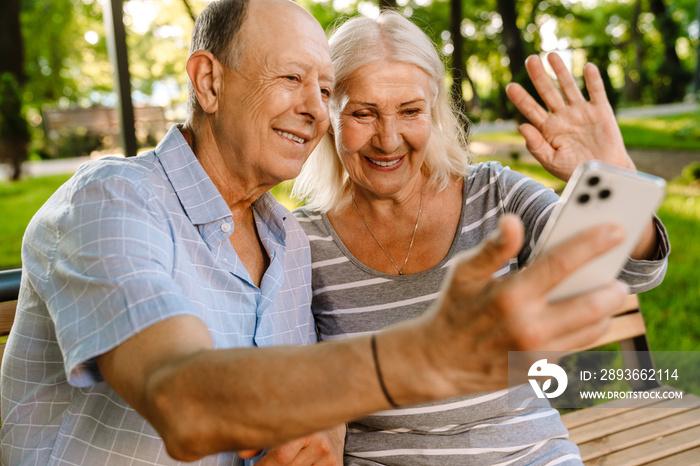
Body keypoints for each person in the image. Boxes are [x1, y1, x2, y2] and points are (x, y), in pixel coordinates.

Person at [1, 1, 643, 464]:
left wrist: (610, 181)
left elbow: (599, 265)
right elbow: (187, 401)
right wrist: (423, 356)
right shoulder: (115, 201)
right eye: (292, 79)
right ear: (208, 81)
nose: (313, 107)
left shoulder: (284, 243)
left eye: (323, 86)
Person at [292, 11, 669, 466]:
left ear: (434, 111)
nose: (388, 139)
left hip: (529, 454)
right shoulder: (303, 241)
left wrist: (617, 186)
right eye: (363, 113)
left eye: (410, 111)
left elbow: (627, 272)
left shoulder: (495, 193)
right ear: (329, 113)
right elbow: (300, 391)